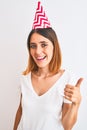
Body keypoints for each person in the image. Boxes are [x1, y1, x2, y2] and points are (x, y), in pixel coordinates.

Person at [13, 1, 83, 130]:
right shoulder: (25, 78)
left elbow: (67, 126)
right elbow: (21, 112)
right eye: (33, 46)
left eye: (43, 44)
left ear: (54, 46)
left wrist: (76, 104)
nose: (38, 51)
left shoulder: (67, 79)